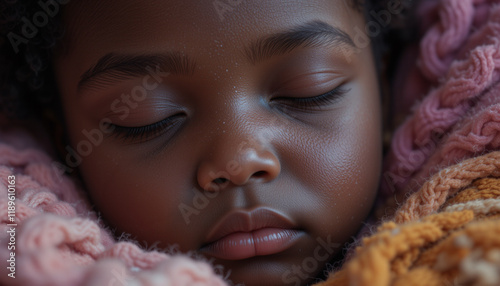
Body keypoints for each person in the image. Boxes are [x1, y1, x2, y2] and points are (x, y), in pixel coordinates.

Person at [3, 0, 499, 285]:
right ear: (60, 130)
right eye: (148, 118)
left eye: (310, 89)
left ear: (386, 79)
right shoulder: (19, 244)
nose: (239, 162)